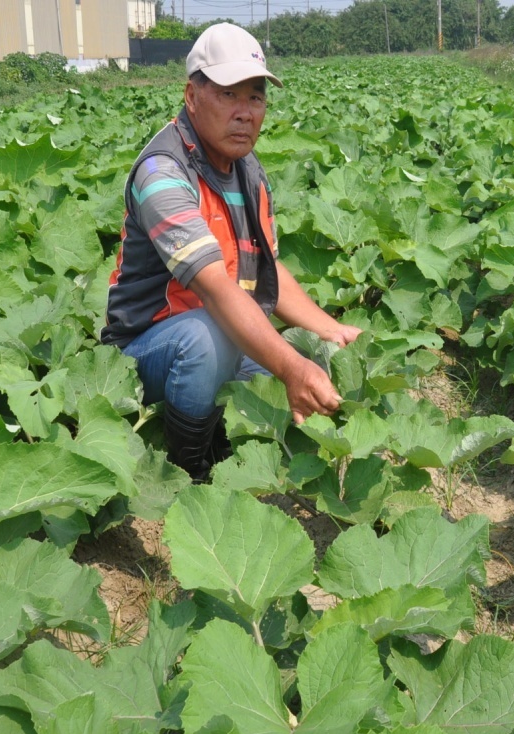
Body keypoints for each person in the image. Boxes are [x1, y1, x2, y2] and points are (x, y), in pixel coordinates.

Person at [101, 23, 361, 478]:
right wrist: (291, 366)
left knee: (294, 380)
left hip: (218, 330)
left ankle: (226, 450)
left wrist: (331, 331)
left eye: (255, 97)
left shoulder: (248, 171)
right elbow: (217, 291)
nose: (245, 113)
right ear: (192, 96)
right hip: (143, 351)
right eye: (228, 94)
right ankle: (188, 472)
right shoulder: (162, 173)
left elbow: (268, 271)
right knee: (215, 339)